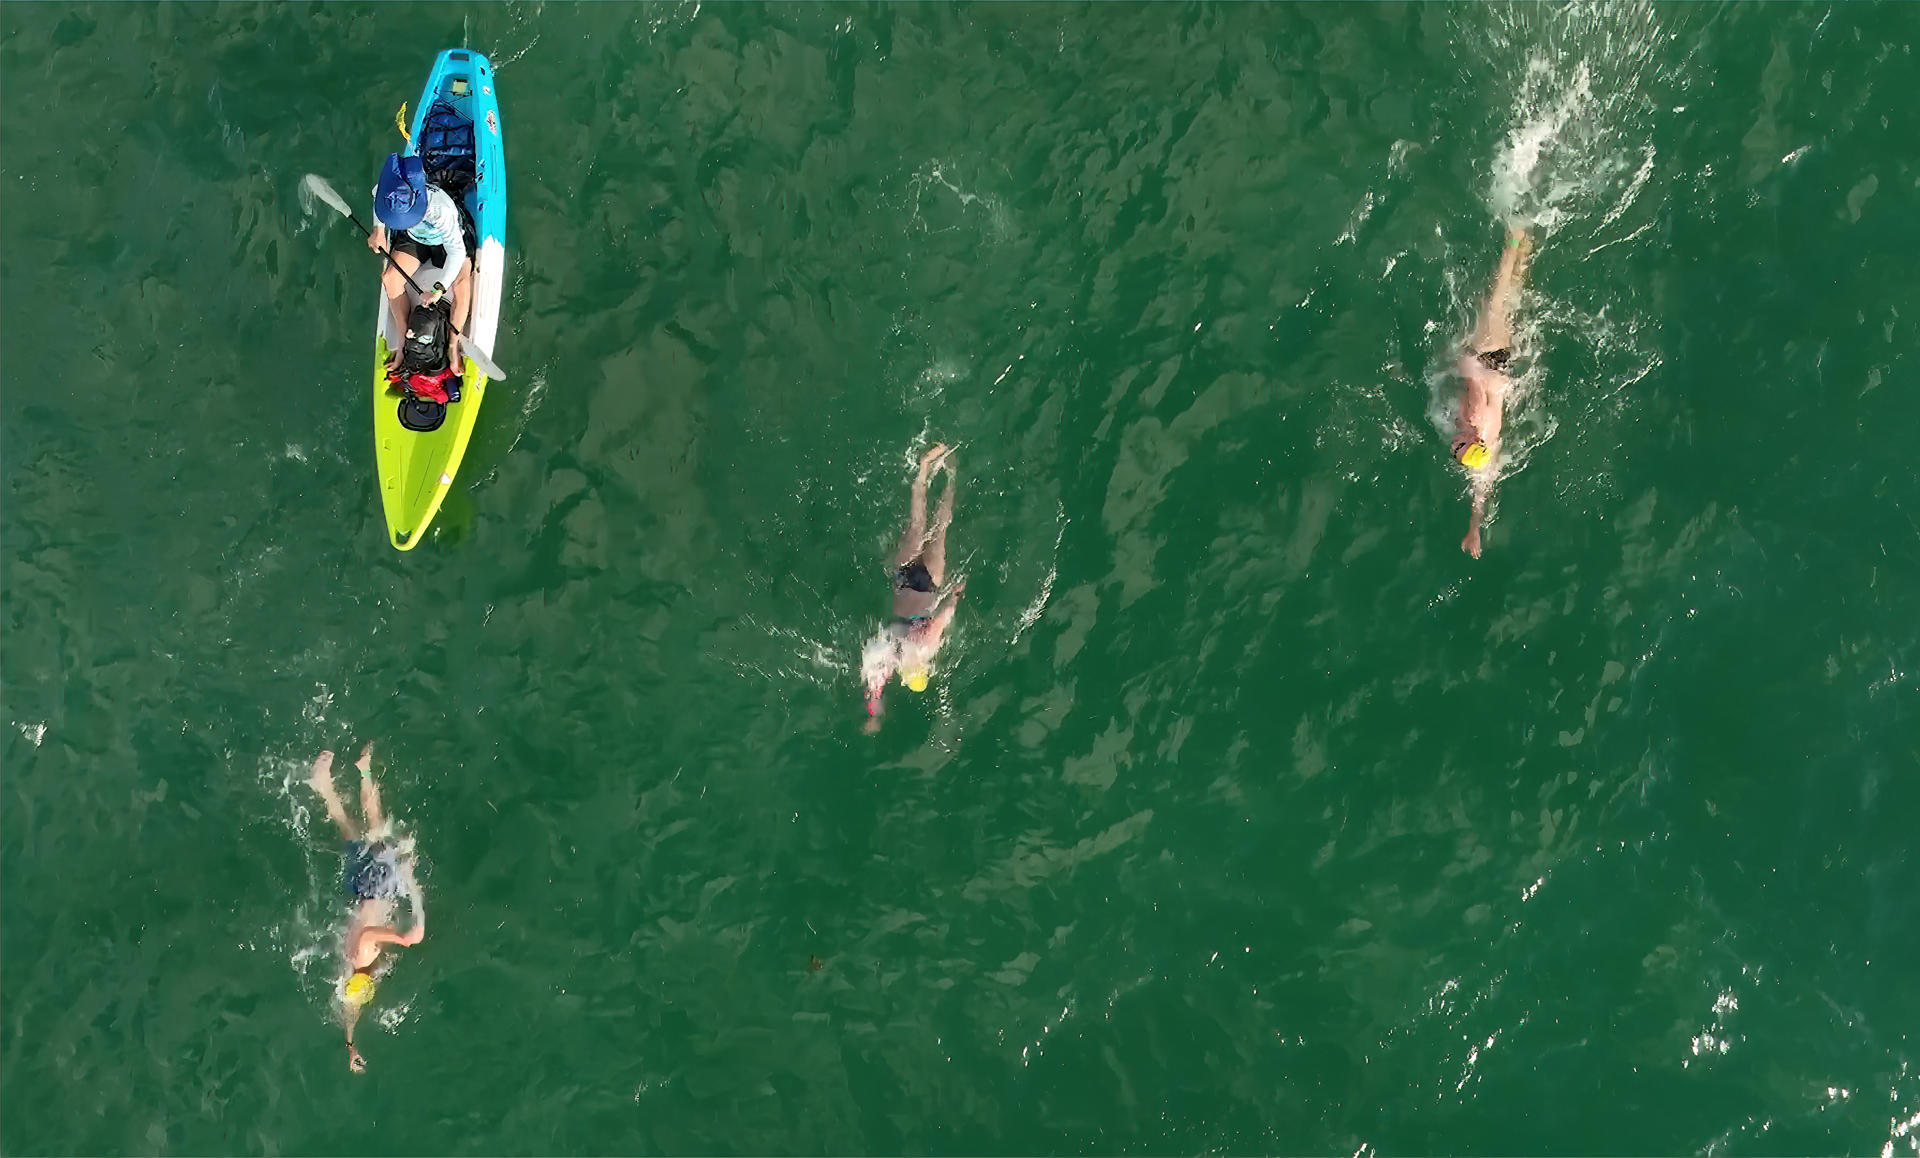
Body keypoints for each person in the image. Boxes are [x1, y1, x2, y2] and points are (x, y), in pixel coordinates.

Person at [306, 744, 425, 1073]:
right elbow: (350, 1010)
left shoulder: (362, 957)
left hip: (375, 885)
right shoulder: (352, 966)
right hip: (364, 888)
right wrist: (350, 1044)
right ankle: (325, 785)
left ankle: (363, 769)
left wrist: (400, 939)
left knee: (377, 824)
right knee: (350, 829)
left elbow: (370, 934)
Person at [862, 444, 965, 731]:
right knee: (922, 526)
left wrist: (956, 593)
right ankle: (926, 470)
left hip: (929, 584)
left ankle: (946, 475)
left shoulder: (927, 646)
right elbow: (875, 688)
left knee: (934, 528)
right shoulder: (898, 653)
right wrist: (872, 714)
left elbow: (946, 613)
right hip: (907, 580)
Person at [1450, 222, 1533, 558]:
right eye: (1457, 447)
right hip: (1489, 356)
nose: (1453, 446)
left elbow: (1481, 491)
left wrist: (1474, 528)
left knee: (1509, 303)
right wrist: (1457, 359)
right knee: (1495, 299)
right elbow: (1471, 371)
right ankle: (1515, 238)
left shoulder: (1488, 450)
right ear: (1471, 441)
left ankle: (1524, 252)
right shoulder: (1473, 415)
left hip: (1504, 367)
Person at [368, 152, 473, 379]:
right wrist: (378, 231)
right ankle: (405, 343)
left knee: (462, 284)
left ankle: (453, 345)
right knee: (390, 279)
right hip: (415, 238)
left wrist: (438, 288)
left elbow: (457, 252)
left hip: (448, 242)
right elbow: (377, 197)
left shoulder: (440, 211)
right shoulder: (388, 191)